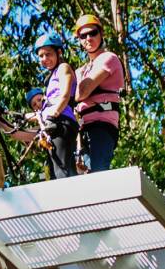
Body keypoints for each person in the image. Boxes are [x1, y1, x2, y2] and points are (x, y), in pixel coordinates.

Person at [71, 15, 124, 172]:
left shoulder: (109, 58)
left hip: (102, 125)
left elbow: (82, 92)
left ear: (101, 34)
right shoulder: (81, 70)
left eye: (92, 33)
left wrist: (72, 93)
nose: (88, 38)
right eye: (83, 35)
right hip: (82, 129)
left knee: (98, 174)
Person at [31, 33, 79, 179]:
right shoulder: (50, 77)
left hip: (62, 122)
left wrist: (53, 116)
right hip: (55, 122)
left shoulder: (63, 68)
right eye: (41, 56)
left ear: (59, 52)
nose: (44, 59)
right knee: (60, 170)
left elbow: (64, 95)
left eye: (48, 54)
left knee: (61, 171)